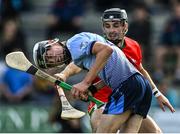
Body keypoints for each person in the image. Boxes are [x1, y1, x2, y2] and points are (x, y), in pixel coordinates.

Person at [45, 8, 175, 133]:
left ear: (125, 26)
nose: (111, 30)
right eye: (107, 26)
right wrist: (64, 74)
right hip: (101, 100)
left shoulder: (134, 46)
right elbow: (76, 64)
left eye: (116, 25)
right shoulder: (97, 45)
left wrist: (157, 93)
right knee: (99, 125)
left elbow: (140, 70)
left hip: (128, 95)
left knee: (154, 132)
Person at [33, 32, 154, 133]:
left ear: (51, 42)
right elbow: (110, 72)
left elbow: (106, 50)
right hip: (141, 86)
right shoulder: (79, 56)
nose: (54, 58)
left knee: (102, 131)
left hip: (128, 86)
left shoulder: (73, 44)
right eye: (50, 62)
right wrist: (92, 89)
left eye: (49, 54)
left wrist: (85, 83)